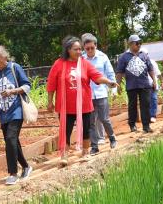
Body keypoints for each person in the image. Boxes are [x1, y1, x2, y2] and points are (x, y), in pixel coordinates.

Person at [47, 36, 117, 165]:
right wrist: (50, 101)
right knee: (65, 131)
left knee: (87, 130)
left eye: (80, 49)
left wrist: (108, 82)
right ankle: (64, 156)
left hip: (84, 105)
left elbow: (96, 75)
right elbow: (51, 84)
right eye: (76, 49)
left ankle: (85, 152)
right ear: (68, 50)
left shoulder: (84, 63)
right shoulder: (59, 64)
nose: (80, 52)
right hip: (65, 106)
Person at [0, 46, 33, 185]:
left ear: (5, 58)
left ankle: (12, 173)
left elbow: (27, 85)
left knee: (11, 139)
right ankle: (26, 166)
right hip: (3, 113)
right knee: (12, 142)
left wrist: (13, 91)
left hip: (16, 110)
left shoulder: (14, 68)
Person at [81, 33, 117, 155]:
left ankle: (112, 138)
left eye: (92, 47)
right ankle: (94, 146)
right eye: (87, 48)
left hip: (101, 93)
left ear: (96, 46)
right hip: (88, 95)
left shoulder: (103, 57)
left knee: (104, 118)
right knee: (90, 122)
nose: (90, 50)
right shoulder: (81, 60)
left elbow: (110, 74)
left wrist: (113, 89)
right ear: (84, 48)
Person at [116, 35, 156, 133]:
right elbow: (119, 72)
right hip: (131, 85)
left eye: (140, 43)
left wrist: (154, 80)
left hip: (145, 84)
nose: (139, 45)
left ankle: (146, 126)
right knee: (132, 106)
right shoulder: (124, 57)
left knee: (145, 105)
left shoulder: (144, 55)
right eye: (137, 43)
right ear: (130, 44)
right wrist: (118, 85)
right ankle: (132, 125)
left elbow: (150, 68)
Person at [148, 58, 163, 123]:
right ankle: (147, 116)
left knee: (153, 99)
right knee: (145, 101)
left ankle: (153, 116)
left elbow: (158, 73)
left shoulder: (152, 62)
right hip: (142, 85)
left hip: (152, 83)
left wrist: (162, 82)